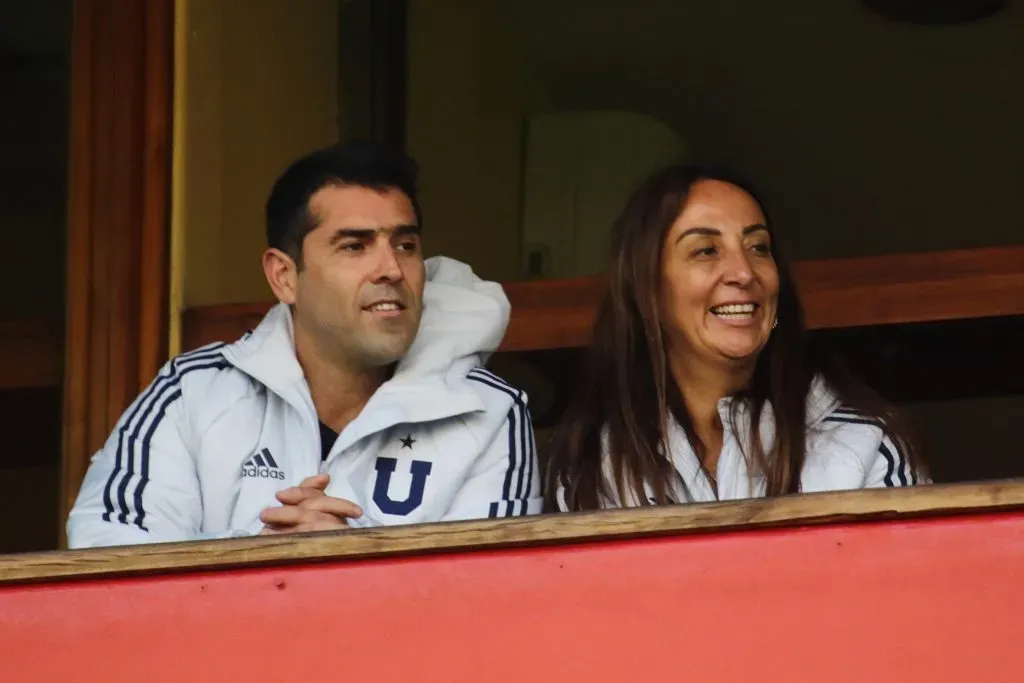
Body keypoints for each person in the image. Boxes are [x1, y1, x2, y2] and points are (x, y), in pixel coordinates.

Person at [68, 140, 540, 548]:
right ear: (284, 276)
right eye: (354, 246)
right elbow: (107, 555)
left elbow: (493, 601)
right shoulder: (191, 393)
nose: (391, 269)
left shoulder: (489, 412)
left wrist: (355, 560)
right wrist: (259, 561)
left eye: (405, 245)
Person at [545, 165, 926, 511]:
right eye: (706, 250)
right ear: (647, 291)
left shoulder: (864, 441)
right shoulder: (595, 463)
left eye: (758, 248)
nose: (743, 273)